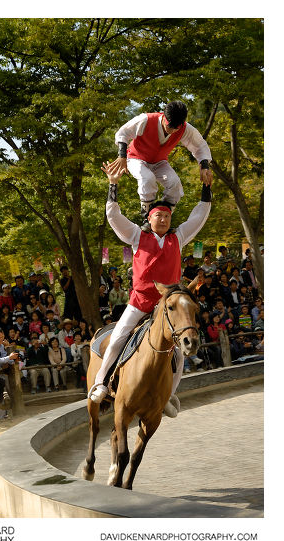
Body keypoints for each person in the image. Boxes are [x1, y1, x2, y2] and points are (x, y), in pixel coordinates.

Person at [88, 159, 212, 403]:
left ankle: (169, 396)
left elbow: (199, 216)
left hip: (168, 305)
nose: (164, 219)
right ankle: (101, 383)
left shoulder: (179, 237)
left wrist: (206, 190)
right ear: (150, 218)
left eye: (167, 215)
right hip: (140, 302)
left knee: (178, 354)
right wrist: (113, 185)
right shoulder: (137, 236)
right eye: (159, 216)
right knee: (118, 338)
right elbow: (114, 216)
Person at [109, 100, 212, 228]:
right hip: (135, 158)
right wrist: (122, 156)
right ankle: (147, 217)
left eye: (176, 128)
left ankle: (163, 216)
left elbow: (200, 145)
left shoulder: (185, 128)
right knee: (147, 178)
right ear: (164, 116)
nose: (172, 131)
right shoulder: (146, 120)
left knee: (175, 184)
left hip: (159, 162)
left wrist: (204, 165)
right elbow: (122, 132)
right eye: (169, 126)